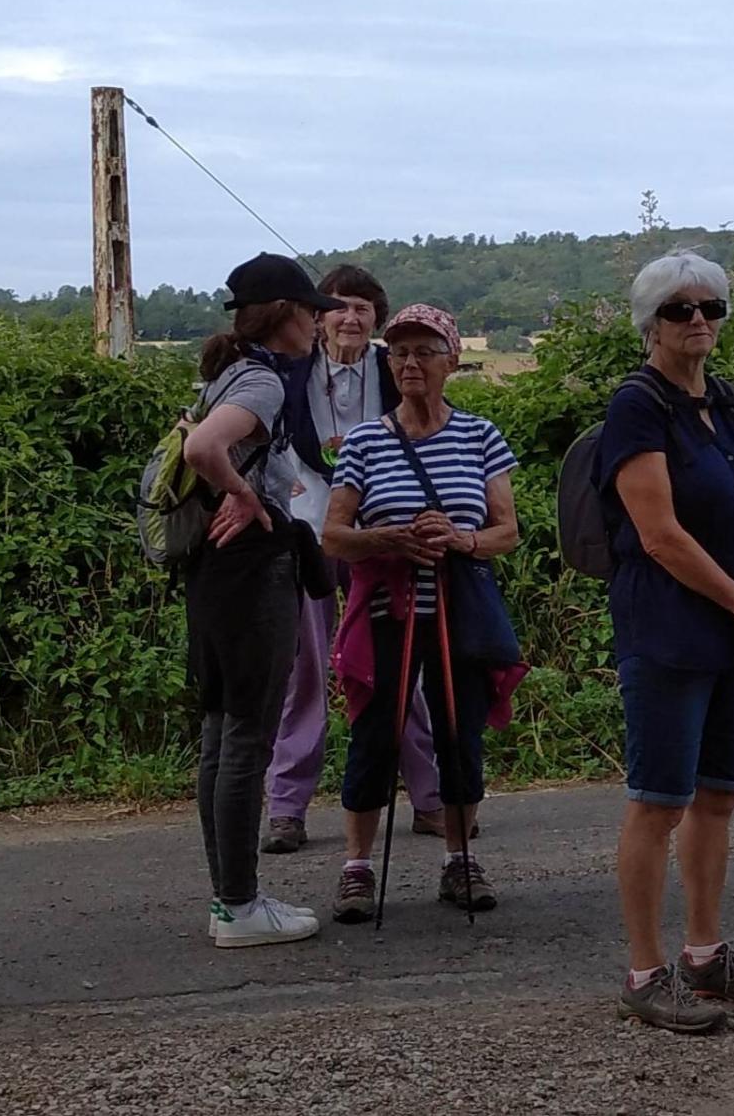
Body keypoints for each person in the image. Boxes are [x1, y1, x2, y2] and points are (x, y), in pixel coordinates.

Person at [595, 250, 734, 1034]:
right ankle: (646, 971)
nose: (699, 321)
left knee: (717, 796)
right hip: (671, 630)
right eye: (681, 309)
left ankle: (705, 953)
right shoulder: (636, 408)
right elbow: (659, 535)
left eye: (712, 308)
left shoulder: (732, 402)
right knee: (658, 801)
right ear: (651, 321)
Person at [322, 304, 521, 919]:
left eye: (424, 351)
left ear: (451, 362)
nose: (410, 362)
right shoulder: (364, 441)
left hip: (458, 613)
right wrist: (390, 538)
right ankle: (356, 868)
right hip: (389, 612)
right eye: (400, 352)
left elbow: (506, 531)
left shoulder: (480, 435)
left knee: (459, 735)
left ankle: (459, 860)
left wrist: (458, 539)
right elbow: (333, 535)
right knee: (374, 736)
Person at [259, 266, 451, 855]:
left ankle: (430, 798)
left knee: (401, 670)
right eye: (339, 306)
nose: (350, 318)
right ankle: (287, 806)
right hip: (308, 534)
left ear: (377, 321)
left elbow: (432, 435)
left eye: (364, 309)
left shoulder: (395, 370)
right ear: (318, 315)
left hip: (384, 539)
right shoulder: (287, 371)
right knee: (306, 672)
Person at [181, 252, 343, 948]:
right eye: (312, 311)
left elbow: (199, 439)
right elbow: (203, 450)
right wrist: (246, 495)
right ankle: (241, 905)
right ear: (284, 315)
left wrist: (232, 488)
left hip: (212, 571)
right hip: (253, 572)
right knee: (248, 731)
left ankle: (228, 899)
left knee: (221, 731)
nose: (319, 324)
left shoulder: (223, 372)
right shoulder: (264, 382)